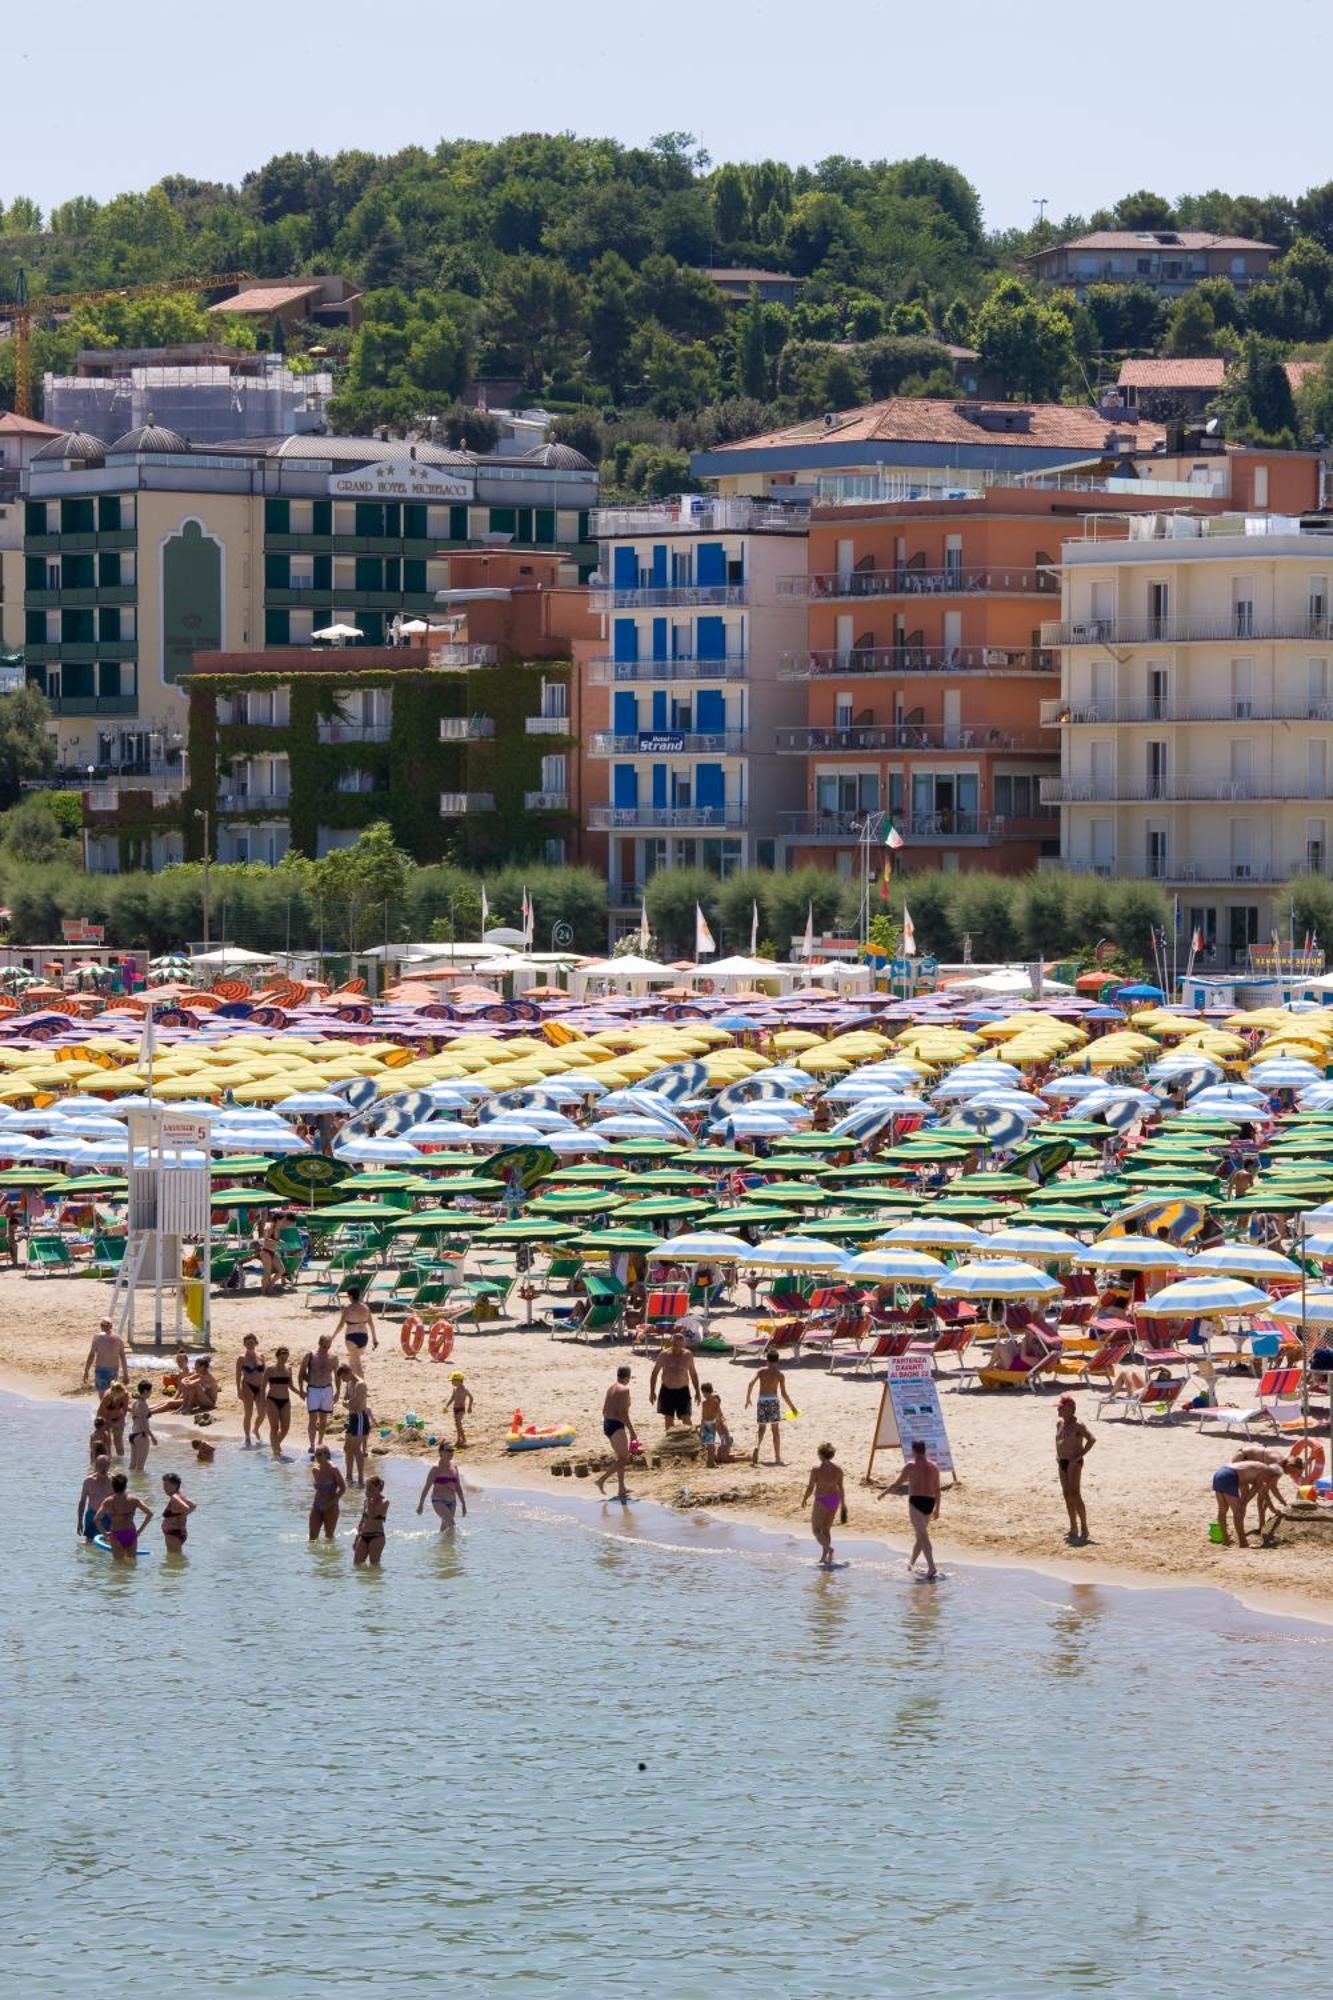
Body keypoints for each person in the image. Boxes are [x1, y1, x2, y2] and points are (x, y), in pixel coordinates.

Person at [884, 1440, 942, 1580]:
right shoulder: (934, 1466)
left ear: (914, 1451)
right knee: (919, 1536)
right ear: (925, 1450)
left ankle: (932, 1567)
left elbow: (897, 1483)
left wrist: (884, 1493)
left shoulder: (910, 1465)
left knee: (922, 1535)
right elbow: (938, 1489)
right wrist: (937, 1509)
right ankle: (911, 1564)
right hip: (930, 1501)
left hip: (916, 1501)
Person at [1055, 1395, 1095, 1544]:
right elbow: (1059, 1442)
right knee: (1066, 1494)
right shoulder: (1059, 1424)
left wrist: (1079, 1456)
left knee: (1075, 1494)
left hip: (1074, 1463)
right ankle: (1073, 1527)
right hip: (1062, 1462)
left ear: (1070, 1409)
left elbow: (1091, 1439)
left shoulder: (1079, 1425)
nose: (1058, 1409)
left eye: (1060, 1407)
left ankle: (1084, 1528)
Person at [746, 1349, 798, 1466]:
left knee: (761, 1429)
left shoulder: (761, 1371)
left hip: (762, 1401)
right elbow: (784, 1394)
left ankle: (756, 1446)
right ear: (777, 1361)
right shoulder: (780, 1375)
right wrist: (792, 1407)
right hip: (773, 1401)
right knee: (775, 1431)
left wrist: (748, 1398)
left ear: (767, 1360)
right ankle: (777, 1458)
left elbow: (750, 1383)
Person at [596, 1366, 638, 1502]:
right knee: (624, 1459)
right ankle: (601, 1480)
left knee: (620, 1457)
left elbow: (604, 1409)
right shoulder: (625, 1389)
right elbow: (623, 1413)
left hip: (607, 1424)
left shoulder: (611, 1387)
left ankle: (621, 1488)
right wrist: (632, 1432)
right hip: (616, 1425)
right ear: (629, 1377)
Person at [802, 1442, 846, 1568]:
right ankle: (825, 1557)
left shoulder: (816, 1470)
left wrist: (804, 1499)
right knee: (826, 1529)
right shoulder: (838, 1470)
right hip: (834, 1499)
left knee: (816, 1530)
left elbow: (810, 1487)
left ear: (820, 1455)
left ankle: (829, 1549)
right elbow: (841, 1487)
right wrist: (843, 1503)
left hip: (821, 1499)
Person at [649, 1332, 700, 1433]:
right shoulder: (664, 1355)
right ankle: (670, 1444)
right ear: (671, 1343)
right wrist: (652, 1391)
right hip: (667, 1391)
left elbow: (693, 1374)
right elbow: (654, 1373)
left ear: (684, 1345)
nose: (677, 1348)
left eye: (680, 1345)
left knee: (686, 1418)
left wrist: (697, 1391)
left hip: (683, 1391)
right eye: (675, 1345)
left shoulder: (688, 1355)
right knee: (668, 1420)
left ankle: (694, 1440)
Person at [100, 1473, 152, 1562]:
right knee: (131, 1563)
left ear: (113, 1486)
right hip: (131, 1533)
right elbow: (149, 1514)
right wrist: (140, 1530)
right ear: (125, 1486)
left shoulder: (108, 1501)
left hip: (116, 1534)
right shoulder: (133, 1499)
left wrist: (104, 1533)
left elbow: (96, 1519)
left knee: (118, 1564)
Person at [300, 1334, 338, 1452]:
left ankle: (320, 1442)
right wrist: (301, 1389)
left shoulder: (333, 1357)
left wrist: (338, 1392)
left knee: (323, 1418)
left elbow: (337, 1375)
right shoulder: (310, 1355)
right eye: (324, 1346)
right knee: (313, 1418)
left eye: (328, 1346)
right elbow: (301, 1373)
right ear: (319, 1343)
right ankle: (312, 1444)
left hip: (327, 1389)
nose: (326, 1349)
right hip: (313, 1389)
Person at [338, 1365, 374, 1489]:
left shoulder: (360, 1385)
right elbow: (345, 1401)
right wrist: (348, 1403)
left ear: (348, 1372)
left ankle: (360, 1478)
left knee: (355, 1448)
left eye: (344, 1378)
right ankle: (348, 1476)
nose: (344, 1381)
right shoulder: (349, 1384)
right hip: (351, 1417)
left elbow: (355, 1404)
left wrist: (347, 1404)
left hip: (359, 1417)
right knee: (347, 1447)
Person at [416, 1443, 467, 1531]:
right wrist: (421, 1504)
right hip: (439, 1501)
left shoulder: (454, 1467)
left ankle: (441, 1543)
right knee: (452, 1525)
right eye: (448, 1450)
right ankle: (456, 1542)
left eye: (452, 1450)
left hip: (452, 1502)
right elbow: (427, 1487)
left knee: (445, 1529)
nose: (450, 1453)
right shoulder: (435, 1468)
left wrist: (463, 1503)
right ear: (441, 1452)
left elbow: (458, 1487)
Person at [333, 1283, 378, 1378]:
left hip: (351, 1337)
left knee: (357, 1363)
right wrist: (374, 1339)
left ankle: (361, 1385)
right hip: (364, 1337)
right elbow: (371, 1325)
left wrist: (333, 1337)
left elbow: (341, 1325)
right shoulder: (366, 1308)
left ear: (350, 1296)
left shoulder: (347, 1308)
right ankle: (351, 1385)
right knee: (353, 1361)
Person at [261, 1345, 295, 1460]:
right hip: (272, 1400)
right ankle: (275, 1452)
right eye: (282, 1356)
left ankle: (275, 1445)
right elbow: (263, 1387)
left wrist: (301, 1393)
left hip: (285, 1400)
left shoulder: (289, 1368)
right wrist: (263, 1402)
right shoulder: (270, 1369)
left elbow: (290, 1385)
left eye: (286, 1357)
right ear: (277, 1356)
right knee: (274, 1427)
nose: (284, 1359)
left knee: (285, 1427)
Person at [308, 1447, 346, 1542]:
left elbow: (343, 1488)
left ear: (326, 1454)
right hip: (317, 1505)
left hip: (331, 1506)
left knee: (329, 1538)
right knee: (312, 1538)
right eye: (316, 1455)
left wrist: (331, 1503)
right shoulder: (315, 1470)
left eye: (319, 1454)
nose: (317, 1457)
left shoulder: (334, 1469)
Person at [235, 1335, 267, 1446]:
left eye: (252, 1343)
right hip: (247, 1386)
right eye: (247, 1343)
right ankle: (247, 1437)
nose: (250, 1345)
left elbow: (265, 1374)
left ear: (256, 1343)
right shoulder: (241, 1358)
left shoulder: (261, 1356)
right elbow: (238, 1375)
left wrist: (266, 1388)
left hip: (260, 1387)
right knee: (248, 1413)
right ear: (244, 1344)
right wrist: (239, 1390)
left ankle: (256, 1429)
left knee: (262, 1412)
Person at [82, 1318, 127, 1395]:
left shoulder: (97, 1337)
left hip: (101, 1368)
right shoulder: (118, 1338)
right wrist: (126, 1374)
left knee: (102, 1394)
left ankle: (103, 1406)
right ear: (111, 1326)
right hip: (114, 1368)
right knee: (113, 1393)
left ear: (101, 1326)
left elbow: (92, 1355)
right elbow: (122, 1356)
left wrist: (86, 1371)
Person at [76, 1453, 115, 1541]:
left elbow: (120, 1502)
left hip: (108, 1517)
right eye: (100, 1465)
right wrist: (79, 1522)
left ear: (109, 1465)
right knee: (90, 1544)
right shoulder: (88, 1481)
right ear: (95, 1465)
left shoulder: (114, 1480)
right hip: (92, 1516)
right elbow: (82, 1503)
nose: (103, 1468)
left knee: (108, 1542)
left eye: (105, 1465)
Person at [354, 1477, 389, 1568]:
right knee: (357, 1565)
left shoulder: (385, 1502)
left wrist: (369, 1499)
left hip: (377, 1537)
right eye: (367, 1487)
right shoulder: (366, 1501)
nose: (368, 1490)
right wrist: (356, 1539)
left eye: (370, 1487)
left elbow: (372, 1514)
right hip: (364, 1536)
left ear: (378, 1488)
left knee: (374, 1566)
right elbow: (362, 1521)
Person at [698, 1381, 732, 1467]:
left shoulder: (704, 1403)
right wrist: (716, 1423)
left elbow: (704, 1417)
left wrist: (701, 1429)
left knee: (710, 1444)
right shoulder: (715, 1401)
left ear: (703, 1392)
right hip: (711, 1423)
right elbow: (717, 1414)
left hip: (707, 1423)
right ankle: (711, 1462)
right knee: (711, 1444)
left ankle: (710, 1462)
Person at [160, 1473, 196, 1553]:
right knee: (175, 1559)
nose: (164, 1488)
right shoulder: (180, 1495)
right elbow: (193, 1505)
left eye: (166, 1485)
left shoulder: (174, 1497)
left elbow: (186, 1508)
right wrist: (178, 1516)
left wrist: (179, 1519)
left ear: (175, 1485)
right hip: (177, 1532)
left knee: (172, 1561)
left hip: (173, 1533)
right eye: (164, 1485)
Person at [127, 1381, 157, 1472]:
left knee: (132, 1467)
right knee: (140, 1468)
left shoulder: (135, 1403)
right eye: (150, 1391)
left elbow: (134, 1419)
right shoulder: (143, 1405)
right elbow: (144, 1424)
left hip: (133, 1435)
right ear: (145, 1391)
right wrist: (152, 1437)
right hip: (141, 1436)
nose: (151, 1393)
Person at [97, 1380, 130, 1457]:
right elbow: (100, 1413)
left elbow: (124, 1411)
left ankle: (120, 1461)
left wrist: (118, 1421)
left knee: (118, 1440)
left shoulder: (125, 1394)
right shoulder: (107, 1397)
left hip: (118, 1419)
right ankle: (108, 1459)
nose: (120, 1398)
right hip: (106, 1419)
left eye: (121, 1396)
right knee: (107, 1441)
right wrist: (99, 1427)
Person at [257, 1215, 284, 1296]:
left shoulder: (278, 1229)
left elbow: (277, 1240)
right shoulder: (270, 1228)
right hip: (266, 1252)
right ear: (277, 1220)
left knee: (281, 1270)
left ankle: (270, 1286)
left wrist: (281, 1241)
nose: (283, 1222)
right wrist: (277, 1242)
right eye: (282, 1220)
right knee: (267, 1273)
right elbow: (266, 1239)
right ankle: (264, 1291)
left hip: (273, 1252)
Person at [448, 1371, 474, 1447]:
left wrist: (469, 1407)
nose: (452, 1383)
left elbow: (471, 1398)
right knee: (457, 1425)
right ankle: (458, 1440)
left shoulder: (465, 1390)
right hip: (455, 1409)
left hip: (461, 1409)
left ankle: (464, 1439)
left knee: (459, 1423)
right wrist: (447, 1405)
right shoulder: (455, 1389)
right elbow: (452, 1398)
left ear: (459, 1381)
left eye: (453, 1381)